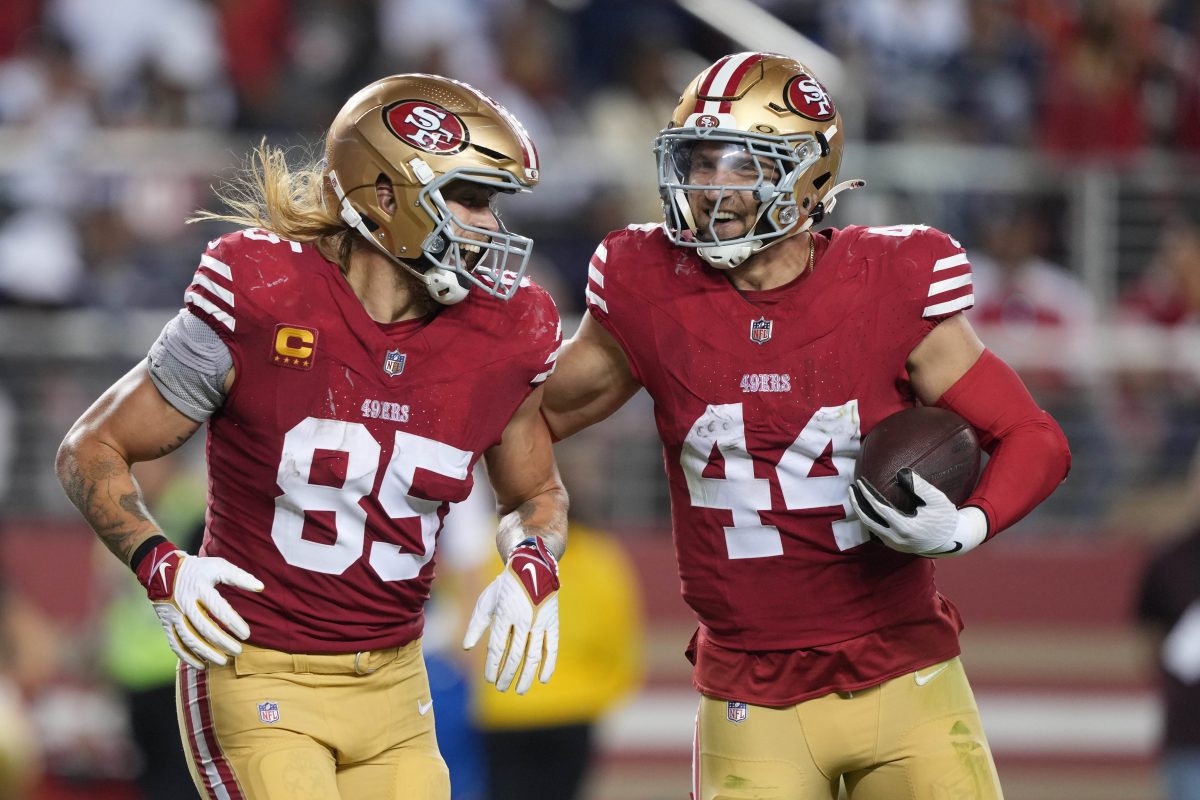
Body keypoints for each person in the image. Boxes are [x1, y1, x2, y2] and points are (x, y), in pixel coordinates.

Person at [542, 51, 1072, 799]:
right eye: (698, 162)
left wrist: (969, 526)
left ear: (808, 175)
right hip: (750, 690)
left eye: (741, 166)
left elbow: (1035, 437)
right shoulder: (646, 286)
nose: (712, 189)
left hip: (905, 672)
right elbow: (528, 418)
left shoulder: (889, 281)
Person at [54, 73, 568, 800]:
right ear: (385, 194)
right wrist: (161, 565)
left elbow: (535, 493)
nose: (490, 226)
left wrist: (532, 565)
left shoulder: (511, 330)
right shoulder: (262, 291)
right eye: (472, 198)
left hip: (396, 684)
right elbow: (91, 447)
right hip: (259, 669)